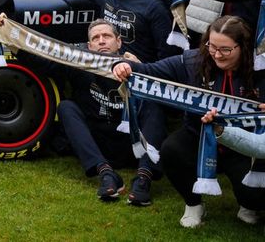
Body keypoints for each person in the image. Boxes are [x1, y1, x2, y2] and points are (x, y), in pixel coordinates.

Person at [113, 16, 265, 228]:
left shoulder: (260, 67)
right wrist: (124, 66)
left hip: (243, 146)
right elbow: (152, 70)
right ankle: (193, 204)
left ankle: (248, 203)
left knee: (255, 196)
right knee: (171, 150)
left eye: (226, 50)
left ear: (244, 47)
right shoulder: (194, 60)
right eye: (212, 46)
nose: (217, 54)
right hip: (197, 135)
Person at [0, 14, 150, 203]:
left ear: (118, 42)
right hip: (95, 142)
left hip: (130, 145)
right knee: (66, 107)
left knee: (152, 107)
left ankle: (143, 177)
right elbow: (44, 62)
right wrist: (8, 33)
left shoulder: (137, 66)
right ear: (89, 46)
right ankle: (105, 173)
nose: (101, 41)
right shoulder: (79, 63)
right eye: (95, 38)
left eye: (106, 36)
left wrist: (141, 70)